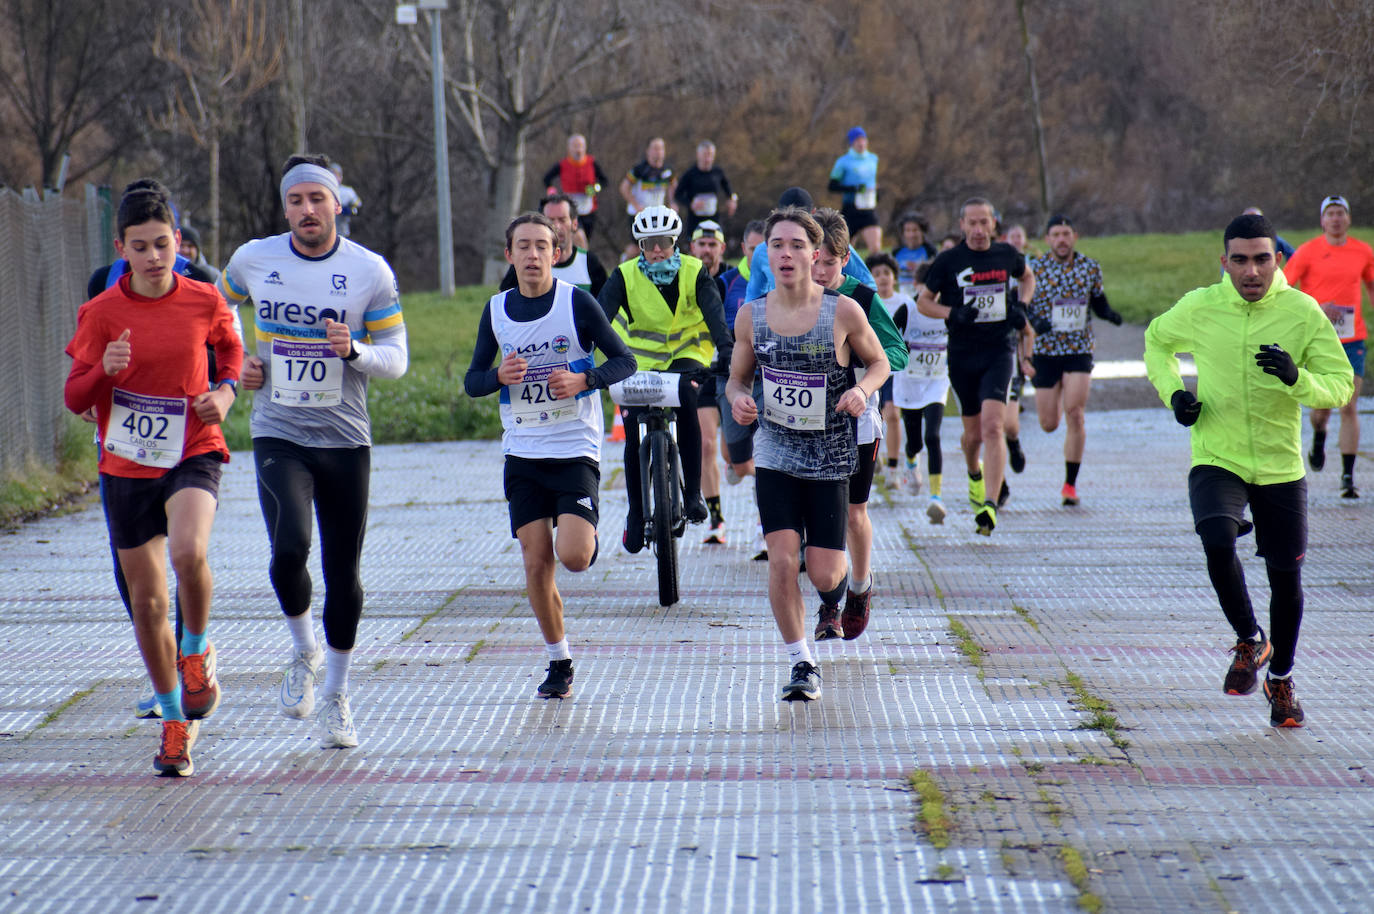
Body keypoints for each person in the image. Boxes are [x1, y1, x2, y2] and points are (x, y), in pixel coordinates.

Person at [220, 153, 408, 749]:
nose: (307, 210)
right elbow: (216, 306)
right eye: (296, 201)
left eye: (317, 199)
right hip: (279, 430)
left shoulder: (368, 271)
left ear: (337, 205)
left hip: (346, 438)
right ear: (285, 208)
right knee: (287, 550)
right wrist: (234, 362)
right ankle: (303, 652)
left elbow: (398, 359)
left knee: (343, 576)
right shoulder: (255, 258)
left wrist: (355, 351)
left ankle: (337, 694)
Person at [1144, 213, 1353, 727]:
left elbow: (1340, 383)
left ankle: (1280, 679)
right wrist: (1175, 394)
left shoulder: (1302, 313)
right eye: (1240, 260)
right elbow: (1155, 341)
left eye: (1262, 258)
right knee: (1217, 538)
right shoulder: (1201, 306)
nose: (1252, 271)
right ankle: (1250, 639)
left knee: (1286, 577)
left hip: (1281, 465)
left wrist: (1296, 377)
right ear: (1225, 262)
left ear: (1277, 260)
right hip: (1218, 454)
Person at [64, 187, 243, 776]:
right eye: (139, 247)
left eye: (162, 244)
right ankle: (173, 724)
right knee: (146, 603)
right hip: (125, 466)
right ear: (122, 250)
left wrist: (223, 392)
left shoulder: (202, 299)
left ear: (178, 243)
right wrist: (101, 373)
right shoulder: (102, 313)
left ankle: (196, 652)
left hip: (192, 448)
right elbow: (74, 397)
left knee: (191, 551)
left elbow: (231, 352)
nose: (153, 257)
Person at [465, 213, 636, 697]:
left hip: (573, 448)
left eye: (543, 246)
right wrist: (498, 377)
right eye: (524, 246)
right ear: (510, 255)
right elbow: (472, 381)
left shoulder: (576, 303)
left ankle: (586, 536)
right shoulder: (496, 310)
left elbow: (625, 360)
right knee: (535, 559)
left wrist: (585, 380)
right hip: (522, 451)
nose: (534, 255)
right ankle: (558, 661)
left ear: (557, 253)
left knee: (575, 558)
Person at [726, 206, 889, 702]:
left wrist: (862, 390)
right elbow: (736, 377)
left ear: (815, 254)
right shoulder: (750, 315)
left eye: (797, 245)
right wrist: (738, 399)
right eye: (777, 244)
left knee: (823, 572)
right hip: (775, 450)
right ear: (766, 254)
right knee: (781, 559)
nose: (787, 253)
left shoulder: (842, 311)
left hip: (831, 453)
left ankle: (852, 587)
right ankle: (802, 662)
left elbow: (879, 361)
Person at [597, 205, 731, 553]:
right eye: (650, 243)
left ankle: (693, 495)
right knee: (630, 435)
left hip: (687, 357)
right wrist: (587, 364)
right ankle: (635, 513)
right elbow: (599, 320)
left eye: (665, 242)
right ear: (640, 246)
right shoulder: (623, 276)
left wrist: (728, 354)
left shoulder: (694, 271)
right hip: (636, 362)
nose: (658, 250)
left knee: (686, 400)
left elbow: (716, 318)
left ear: (676, 242)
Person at [809, 210, 908, 642]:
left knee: (852, 513)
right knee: (817, 516)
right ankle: (829, 606)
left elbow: (896, 352)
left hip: (857, 420)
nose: (819, 271)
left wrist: (863, 380)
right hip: (807, 421)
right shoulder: (791, 297)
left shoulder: (862, 299)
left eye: (829, 262)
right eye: (813, 260)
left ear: (845, 259)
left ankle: (860, 589)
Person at [917, 197, 1036, 535]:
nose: (979, 229)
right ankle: (974, 472)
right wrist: (952, 313)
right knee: (972, 436)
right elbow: (924, 303)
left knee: (993, 427)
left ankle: (990, 503)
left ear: (993, 224)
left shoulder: (1006, 255)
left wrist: (1022, 307)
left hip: (999, 351)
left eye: (985, 222)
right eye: (973, 223)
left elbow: (1027, 279)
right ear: (962, 225)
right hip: (963, 355)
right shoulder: (948, 261)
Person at [1025, 214, 1123, 505]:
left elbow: (1099, 302)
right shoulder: (1035, 268)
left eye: (1066, 233)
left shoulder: (1090, 267)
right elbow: (1022, 305)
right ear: (1047, 239)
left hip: (1079, 350)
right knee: (1048, 423)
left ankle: (1070, 485)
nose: (1061, 239)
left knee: (1075, 412)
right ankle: (1067, 475)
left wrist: (1110, 315)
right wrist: (1035, 322)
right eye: (1056, 234)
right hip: (1045, 351)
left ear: (1075, 236)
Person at [1282, 195, 1373, 498]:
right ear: (1322, 220)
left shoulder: (1363, 251)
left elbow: (1371, 284)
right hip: (1318, 340)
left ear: (1348, 219)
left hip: (1353, 339)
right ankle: (1320, 435)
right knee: (1321, 411)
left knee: (1349, 405)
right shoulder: (1308, 252)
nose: (1336, 219)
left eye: (1341, 213)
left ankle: (1348, 477)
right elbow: (1283, 288)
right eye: (1330, 214)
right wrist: (1317, 307)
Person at [885, 259, 950, 523]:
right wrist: (902, 348)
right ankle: (911, 459)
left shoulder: (947, 311)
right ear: (917, 287)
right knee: (916, 442)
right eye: (927, 291)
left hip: (936, 382)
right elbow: (886, 339)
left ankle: (936, 497)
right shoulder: (907, 310)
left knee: (933, 436)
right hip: (909, 385)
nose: (931, 297)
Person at [718, 220, 767, 556]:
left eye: (766, 248)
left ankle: (766, 526)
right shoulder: (728, 283)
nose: (760, 255)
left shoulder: (784, 281)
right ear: (744, 250)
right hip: (732, 375)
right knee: (739, 461)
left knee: (767, 456)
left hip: (770, 378)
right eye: (753, 249)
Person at [745, 187, 875, 301]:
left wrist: (844, 309)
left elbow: (868, 284)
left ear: (813, 214)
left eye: (801, 218)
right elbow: (753, 295)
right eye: (778, 246)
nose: (794, 224)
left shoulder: (832, 242)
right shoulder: (761, 251)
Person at [690, 220, 730, 542]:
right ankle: (716, 520)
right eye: (700, 245)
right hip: (702, 371)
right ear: (692, 248)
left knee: (734, 456)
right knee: (705, 445)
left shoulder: (733, 279)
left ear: (721, 249)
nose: (706, 250)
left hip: (731, 371)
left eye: (711, 245)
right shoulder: (684, 276)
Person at [499, 192, 608, 297]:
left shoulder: (589, 262)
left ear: (574, 224)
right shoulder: (528, 264)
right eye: (550, 220)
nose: (556, 226)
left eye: (562, 220)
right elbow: (502, 304)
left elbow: (606, 308)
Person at [543, 133, 610, 241]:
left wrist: (595, 189)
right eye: (575, 146)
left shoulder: (592, 163)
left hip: (588, 208)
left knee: (585, 239)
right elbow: (546, 179)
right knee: (579, 236)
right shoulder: (562, 164)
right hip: (570, 208)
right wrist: (552, 191)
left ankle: (583, 257)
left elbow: (604, 182)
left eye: (580, 146)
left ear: (585, 147)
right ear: (569, 148)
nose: (578, 149)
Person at [828, 126, 881, 253]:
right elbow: (832, 186)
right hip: (850, 208)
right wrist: (854, 189)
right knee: (844, 249)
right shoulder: (843, 162)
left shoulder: (873, 159)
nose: (861, 143)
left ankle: (874, 271)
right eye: (857, 140)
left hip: (868, 208)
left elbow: (872, 181)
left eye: (863, 139)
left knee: (876, 248)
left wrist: (877, 193)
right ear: (852, 143)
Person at [672, 140, 739, 240]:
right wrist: (691, 204)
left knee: (715, 244)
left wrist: (732, 200)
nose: (707, 158)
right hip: (695, 220)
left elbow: (728, 188)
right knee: (696, 246)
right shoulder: (690, 174)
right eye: (705, 154)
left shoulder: (718, 172)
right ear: (698, 155)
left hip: (713, 217)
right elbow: (677, 194)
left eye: (710, 155)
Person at [619, 137, 675, 218]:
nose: (658, 152)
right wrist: (636, 205)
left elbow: (673, 186)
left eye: (661, 148)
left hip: (657, 214)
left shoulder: (668, 170)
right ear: (648, 150)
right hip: (639, 214)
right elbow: (624, 188)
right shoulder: (639, 170)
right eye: (655, 148)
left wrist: (672, 203)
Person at [892, 212, 937, 297]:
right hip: (901, 294)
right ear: (903, 233)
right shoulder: (897, 252)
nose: (911, 235)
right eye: (908, 230)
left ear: (922, 231)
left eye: (915, 230)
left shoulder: (930, 251)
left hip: (922, 294)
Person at [329, 163, 361, 238]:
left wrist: (349, 210)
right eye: (331, 174)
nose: (334, 177)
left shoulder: (348, 192)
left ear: (340, 177)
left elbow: (359, 207)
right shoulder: (322, 191)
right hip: (326, 233)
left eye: (336, 175)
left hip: (343, 232)